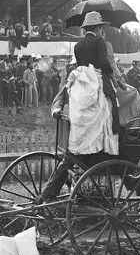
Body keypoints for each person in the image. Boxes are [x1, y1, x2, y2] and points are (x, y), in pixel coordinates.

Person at [39, 12, 120, 202]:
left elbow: (82, 66)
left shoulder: (77, 47)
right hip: (98, 79)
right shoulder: (100, 42)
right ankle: (105, 146)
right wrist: (111, 70)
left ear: (85, 29)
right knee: (109, 109)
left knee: (85, 113)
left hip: (83, 80)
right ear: (99, 28)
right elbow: (103, 64)